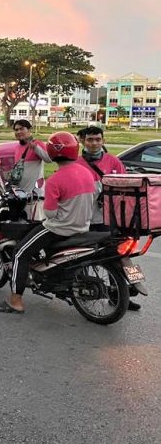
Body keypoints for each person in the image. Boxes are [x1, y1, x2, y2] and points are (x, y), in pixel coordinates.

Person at [0, 131, 95, 315]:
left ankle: (16, 302)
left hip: (59, 229)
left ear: (52, 151)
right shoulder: (87, 173)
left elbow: (49, 213)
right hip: (83, 226)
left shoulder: (55, 179)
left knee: (19, 254)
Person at [76, 126, 142, 311]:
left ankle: (122, 293)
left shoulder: (114, 161)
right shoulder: (76, 163)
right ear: (83, 141)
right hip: (85, 219)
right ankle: (83, 292)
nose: (94, 143)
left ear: (103, 141)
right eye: (90, 140)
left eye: (98, 139)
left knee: (120, 256)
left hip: (111, 220)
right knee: (82, 257)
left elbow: (127, 187)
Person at [10, 120, 52, 220]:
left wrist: (35, 148)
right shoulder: (17, 147)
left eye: (21, 129)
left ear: (29, 130)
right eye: (16, 130)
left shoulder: (37, 143)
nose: (18, 132)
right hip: (21, 195)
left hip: (34, 195)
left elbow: (48, 159)